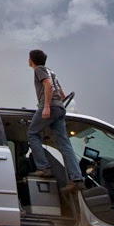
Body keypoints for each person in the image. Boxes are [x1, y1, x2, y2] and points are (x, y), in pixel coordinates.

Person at [26, 49, 85, 194]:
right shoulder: (50, 71)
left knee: (32, 133)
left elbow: (48, 86)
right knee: (64, 143)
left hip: (50, 106)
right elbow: (59, 90)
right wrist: (63, 103)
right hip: (59, 107)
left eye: (28, 58)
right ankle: (77, 179)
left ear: (32, 60)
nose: (28, 61)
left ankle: (43, 168)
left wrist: (46, 107)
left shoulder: (39, 69)